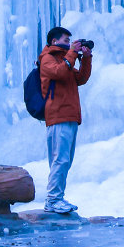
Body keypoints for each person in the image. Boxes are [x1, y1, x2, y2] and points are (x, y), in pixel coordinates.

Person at [38, 26, 92, 214]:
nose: (70, 43)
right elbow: (59, 73)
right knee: (59, 160)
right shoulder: (47, 58)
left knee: (65, 160)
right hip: (58, 115)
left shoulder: (64, 60)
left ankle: (56, 198)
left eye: (71, 41)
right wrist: (72, 54)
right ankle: (53, 200)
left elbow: (81, 78)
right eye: (66, 40)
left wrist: (86, 58)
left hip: (70, 115)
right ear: (54, 41)